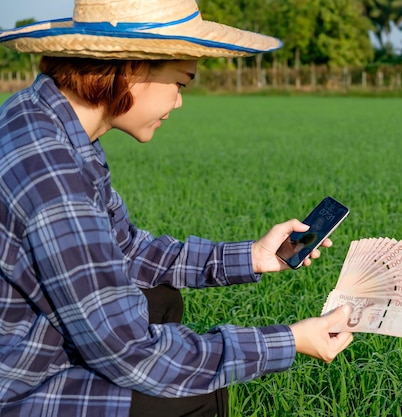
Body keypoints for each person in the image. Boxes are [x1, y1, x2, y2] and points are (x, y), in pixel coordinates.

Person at [0, 1, 354, 416]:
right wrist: (290, 340)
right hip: (22, 383)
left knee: (161, 301)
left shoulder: (46, 120)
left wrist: (253, 256)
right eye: (181, 83)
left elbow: (126, 249)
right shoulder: (52, 173)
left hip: (32, 340)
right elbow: (131, 353)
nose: (181, 102)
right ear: (132, 69)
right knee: (193, 394)